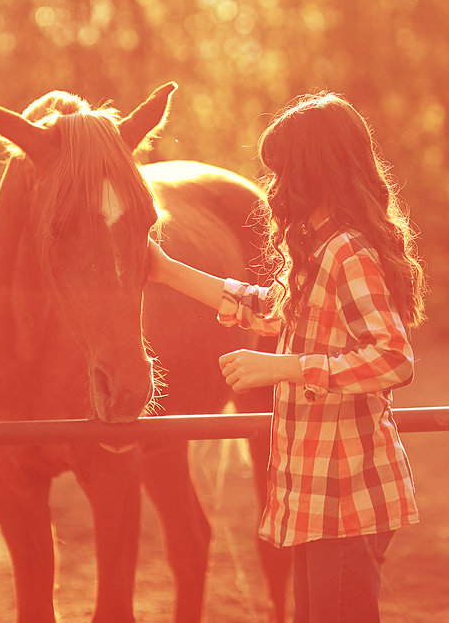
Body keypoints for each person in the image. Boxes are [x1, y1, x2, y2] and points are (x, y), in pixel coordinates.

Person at [147, 91, 426, 623]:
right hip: (315, 490)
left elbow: (394, 359)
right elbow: (271, 309)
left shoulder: (349, 251)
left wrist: (284, 368)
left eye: (283, 172)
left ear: (316, 173)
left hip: (348, 493)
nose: (273, 187)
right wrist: (165, 270)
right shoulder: (316, 249)